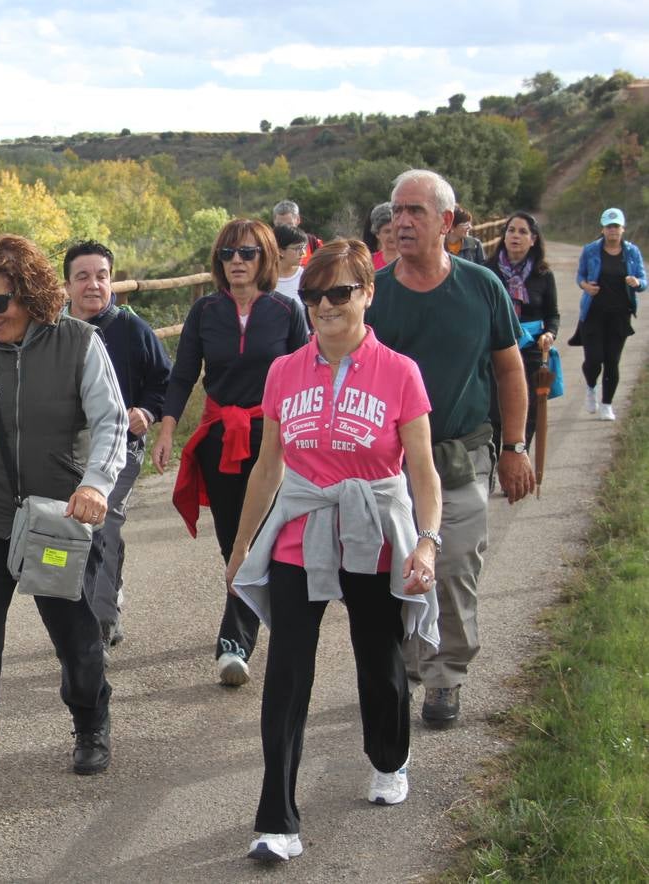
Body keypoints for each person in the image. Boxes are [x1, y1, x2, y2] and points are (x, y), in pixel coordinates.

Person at [226, 239, 443, 863]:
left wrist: (426, 543)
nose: (325, 305)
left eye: (340, 292)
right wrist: (243, 547)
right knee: (288, 673)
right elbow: (267, 468)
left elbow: (422, 471)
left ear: (367, 293)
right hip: (300, 533)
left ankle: (388, 757)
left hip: (373, 535)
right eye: (315, 294)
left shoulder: (399, 372)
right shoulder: (284, 371)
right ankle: (276, 819)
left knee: (378, 661)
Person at [0, 234, 128, 827]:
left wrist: (94, 484)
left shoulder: (80, 344)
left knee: (77, 641)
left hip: (59, 521)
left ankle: (91, 717)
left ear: (32, 293)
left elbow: (112, 423)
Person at [365, 170, 535, 728]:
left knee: (456, 563)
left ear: (447, 220)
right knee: (395, 568)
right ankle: (413, 658)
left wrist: (515, 446)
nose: (402, 221)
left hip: (461, 455)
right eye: (396, 211)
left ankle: (446, 675)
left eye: (415, 211)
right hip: (388, 463)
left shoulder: (481, 287)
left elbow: (510, 368)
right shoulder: (375, 295)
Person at [153, 219, 309, 687]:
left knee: (259, 537)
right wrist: (166, 432)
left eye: (246, 253)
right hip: (221, 439)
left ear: (265, 258)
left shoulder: (287, 311)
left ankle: (233, 643)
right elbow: (182, 376)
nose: (236, 262)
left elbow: (303, 376)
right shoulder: (204, 312)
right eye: (227, 254)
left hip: (272, 439)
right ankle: (247, 628)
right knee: (232, 543)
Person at [63, 240, 172, 657]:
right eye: (83, 277)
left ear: (113, 280)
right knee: (77, 530)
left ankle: (98, 627)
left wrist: (148, 410)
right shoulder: (56, 332)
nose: (94, 285)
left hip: (121, 448)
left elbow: (164, 379)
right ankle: (99, 605)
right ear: (68, 285)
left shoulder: (132, 328)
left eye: (102, 276)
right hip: (70, 451)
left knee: (102, 525)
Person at [485, 212, 559, 444]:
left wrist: (550, 333)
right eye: (511, 230)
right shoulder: (487, 271)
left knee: (529, 409)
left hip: (532, 348)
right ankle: (495, 457)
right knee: (494, 409)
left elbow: (552, 314)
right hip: (496, 347)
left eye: (522, 231)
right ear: (504, 236)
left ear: (533, 239)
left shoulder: (543, 274)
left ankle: (520, 454)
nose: (515, 236)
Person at [573, 207, 646, 421]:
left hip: (619, 315)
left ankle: (606, 405)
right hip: (593, 313)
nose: (613, 230)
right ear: (603, 229)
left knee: (612, 361)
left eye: (616, 226)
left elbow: (643, 278)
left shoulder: (632, 252)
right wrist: (585, 285)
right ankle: (591, 387)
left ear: (623, 229)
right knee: (594, 360)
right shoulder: (590, 250)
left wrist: (637, 282)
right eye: (609, 226)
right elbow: (580, 275)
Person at [273, 199, 323, 264]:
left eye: (289, 225)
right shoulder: (267, 245)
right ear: (274, 221)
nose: (285, 230)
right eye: (279, 225)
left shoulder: (312, 242)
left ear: (298, 220)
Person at [273, 224, 309, 301]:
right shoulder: (263, 279)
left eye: (304, 247)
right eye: (297, 248)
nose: (303, 253)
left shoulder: (306, 277)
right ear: (280, 251)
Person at [367, 202, 398, 270]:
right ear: (377, 234)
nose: (392, 236)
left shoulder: (412, 262)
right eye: (387, 231)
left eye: (396, 230)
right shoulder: (368, 263)